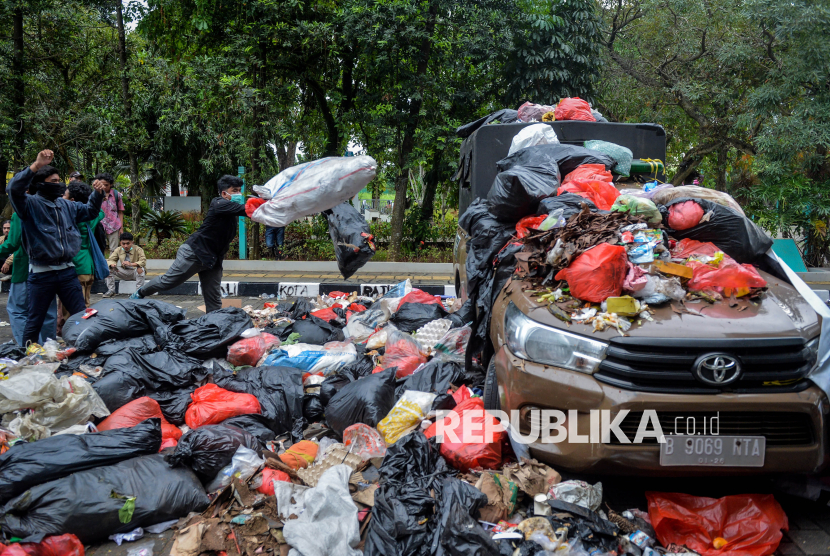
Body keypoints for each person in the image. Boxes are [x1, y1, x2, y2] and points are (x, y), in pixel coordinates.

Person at [7, 149, 104, 345]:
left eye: (60, 181)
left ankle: (87, 351)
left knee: (82, 316)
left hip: (67, 272)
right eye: (53, 181)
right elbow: (13, 189)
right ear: (41, 184)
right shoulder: (29, 205)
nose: (59, 185)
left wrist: (98, 193)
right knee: (34, 321)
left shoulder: (68, 206)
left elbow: (91, 211)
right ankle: (29, 357)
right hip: (41, 274)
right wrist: (36, 165)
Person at [131, 175, 247, 312]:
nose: (239, 194)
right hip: (194, 253)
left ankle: (214, 323)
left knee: (213, 296)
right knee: (168, 281)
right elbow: (246, 210)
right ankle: (139, 293)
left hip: (212, 259)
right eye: (235, 191)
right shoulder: (219, 204)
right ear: (224, 193)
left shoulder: (231, 211)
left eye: (240, 190)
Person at [0, 207, 58, 345]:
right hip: (51, 266)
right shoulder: (53, 209)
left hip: (25, 268)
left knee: (17, 310)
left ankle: (28, 347)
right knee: (48, 311)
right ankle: (49, 347)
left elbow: (12, 243)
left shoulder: (20, 213)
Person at [58, 181, 105, 322]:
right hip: (88, 265)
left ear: (72, 201)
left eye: (64, 196)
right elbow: (101, 212)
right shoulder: (92, 217)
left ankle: (72, 333)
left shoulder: (72, 216)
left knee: (71, 309)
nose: (61, 198)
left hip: (75, 265)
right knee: (86, 304)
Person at [104, 232, 146, 297]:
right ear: (120, 243)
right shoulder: (118, 249)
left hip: (135, 272)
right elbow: (110, 260)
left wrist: (131, 264)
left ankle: (138, 292)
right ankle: (111, 290)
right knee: (108, 268)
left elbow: (143, 261)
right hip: (124, 272)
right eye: (123, 244)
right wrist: (113, 264)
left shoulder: (138, 249)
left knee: (141, 268)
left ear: (132, 242)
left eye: (128, 243)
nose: (125, 246)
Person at [96, 172, 124, 253]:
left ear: (111, 184)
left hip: (114, 225)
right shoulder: (95, 195)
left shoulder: (117, 195)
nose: (104, 187)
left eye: (106, 185)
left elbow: (120, 212)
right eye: (102, 185)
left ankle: (112, 265)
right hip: (99, 225)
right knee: (99, 247)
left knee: (114, 249)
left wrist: (121, 228)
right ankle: (101, 265)